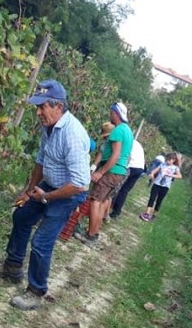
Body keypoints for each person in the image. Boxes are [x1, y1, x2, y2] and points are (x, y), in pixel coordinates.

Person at [0, 79, 90, 311]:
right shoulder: (49, 127)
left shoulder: (72, 134)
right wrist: (30, 191)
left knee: (41, 242)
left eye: (42, 106)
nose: (37, 112)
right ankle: (13, 267)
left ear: (58, 106)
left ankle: (36, 291)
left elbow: (80, 184)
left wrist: (46, 197)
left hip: (68, 193)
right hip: (49, 185)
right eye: (37, 107)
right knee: (21, 216)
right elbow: (41, 160)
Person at [76, 101, 133, 247]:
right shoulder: (128, 130)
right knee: (101, 202)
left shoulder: (118, 130)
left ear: (116, 113)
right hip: (119, 172)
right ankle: (95, 233)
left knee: (95, 200)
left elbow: (115, 155)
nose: (110, 114)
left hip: (111, 171)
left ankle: (90, 236)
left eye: (111, 112)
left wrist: (100, 172)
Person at [109, 137, 145, 218]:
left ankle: (109, 207)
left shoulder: (127, 143)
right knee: (125, 191)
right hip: (140, 168)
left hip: (130, 167)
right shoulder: (137, 143)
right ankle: (116, 212)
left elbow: (127, 157)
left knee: (117, 187)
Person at [140, 152, 182, 222]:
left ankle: (154, 215)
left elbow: (180, 176)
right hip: (157, 184)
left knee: (159, 200)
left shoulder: (175, 168)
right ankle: (147, 213)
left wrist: (171, 175)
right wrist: (152, 174)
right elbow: (155, 170)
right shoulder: (163, 164)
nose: (167, 161)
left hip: (165, 186)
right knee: (152, 198)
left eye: (169, 160)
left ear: (173, 160)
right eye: (167, 159)